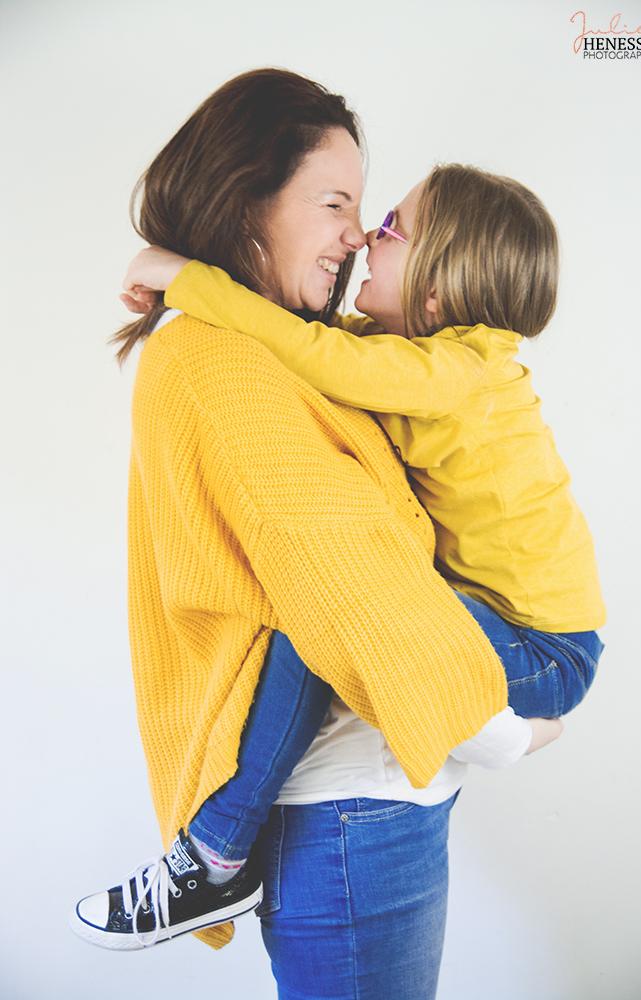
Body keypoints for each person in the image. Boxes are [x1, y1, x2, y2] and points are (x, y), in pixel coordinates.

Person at [70, 69, 562, 998]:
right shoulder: (220, 358)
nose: (358, 235)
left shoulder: (274, 348)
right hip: (351, 814)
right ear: (242, 199)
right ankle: (208, 858)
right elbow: (346, 579)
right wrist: (507, 735)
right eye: (335, 202)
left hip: (369, 796)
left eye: (369, 211)